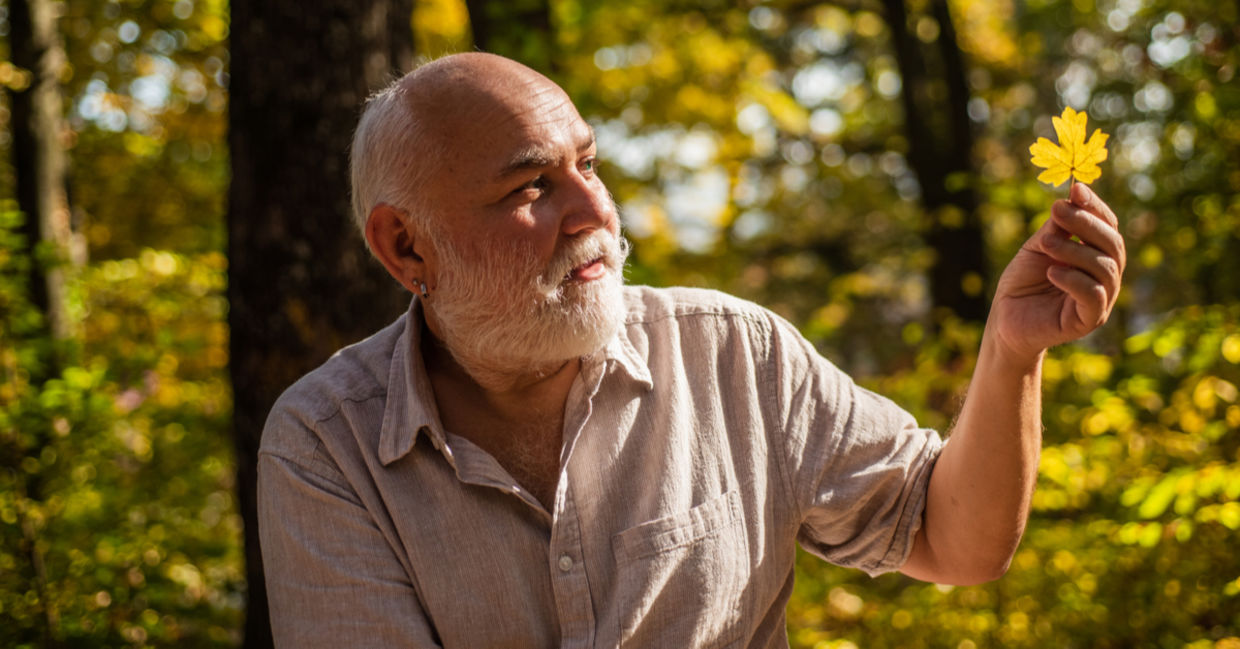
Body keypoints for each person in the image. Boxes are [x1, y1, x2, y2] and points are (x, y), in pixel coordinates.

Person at [257, 52, 1125, 648]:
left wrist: (1011, 353)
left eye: (588, 164)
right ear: (406, 247)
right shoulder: (325, 445)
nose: (594, 210)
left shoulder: (735, 354)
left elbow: (955, 540)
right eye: (531, 185)